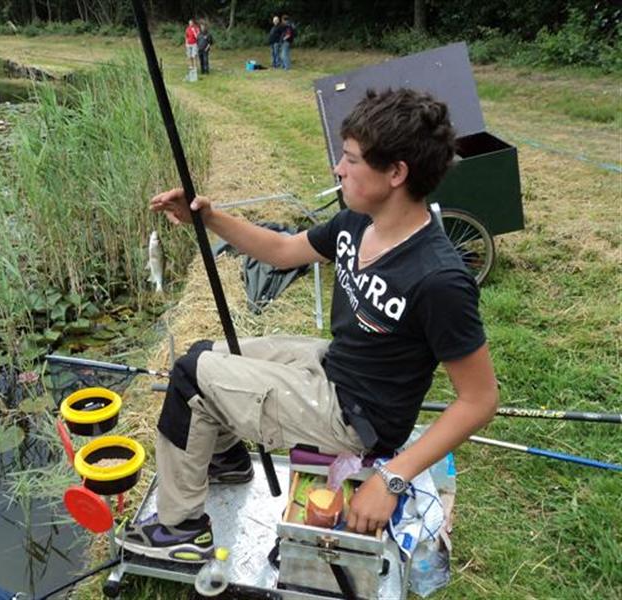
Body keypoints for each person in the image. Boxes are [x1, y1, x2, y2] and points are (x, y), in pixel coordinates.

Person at [116, 88, 499, 563]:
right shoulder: (356, 223)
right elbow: (282, 251)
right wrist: (208, 218)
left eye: (351, 159)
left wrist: (391, 476)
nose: (338, 168)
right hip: (334, 366)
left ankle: (180, 530)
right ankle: (227, 460)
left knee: (188, 376)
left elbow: (480, 399)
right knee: (204, 353)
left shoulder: (439, 279)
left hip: (357, 420)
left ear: (396, 173)